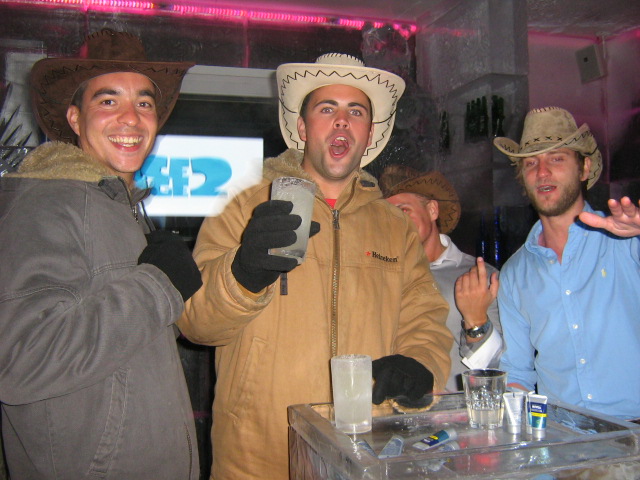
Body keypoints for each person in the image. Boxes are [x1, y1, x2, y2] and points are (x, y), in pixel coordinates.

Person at [178, 53, 453, 479]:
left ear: (369, 133)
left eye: (355, 111)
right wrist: (243, 274)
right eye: (327, 109)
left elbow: (425, 318)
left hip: (362, 455)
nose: (342, 121)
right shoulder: (243, 205)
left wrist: (418, 364)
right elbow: (194, 321)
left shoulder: (395, 227)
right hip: (258, 458)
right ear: (303, 128)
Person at [0, 29, 203, 479]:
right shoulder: (46, 203)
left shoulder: (118, 207)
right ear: (75, 119)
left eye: (144, 103)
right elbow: (20, 360)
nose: (131, 118)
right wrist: (158, 286)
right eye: (108, 101)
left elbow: (121, 351)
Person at [493, 106, 640, 420]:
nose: (542, 172)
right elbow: (517, 370)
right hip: (561, 435)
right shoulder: (515, 273)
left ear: (584, 168)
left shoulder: (628, 242)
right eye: (531, 163)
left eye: (556, 159)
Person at [380, 166, 503, 391]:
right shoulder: (379, 276)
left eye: (403, 210)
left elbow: (498, 367)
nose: (394, 222)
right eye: (386, 215)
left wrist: (476, 321)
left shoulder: (477, 274)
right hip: (392, 406)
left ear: (432, 210)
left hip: (457, 408)